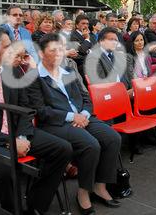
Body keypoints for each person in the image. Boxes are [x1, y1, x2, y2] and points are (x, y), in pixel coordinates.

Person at [0, 28, 72, 214]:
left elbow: (26, 110)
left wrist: (22, 136)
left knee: (63, 149)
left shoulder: (14, 74)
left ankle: (35, 204)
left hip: (17, 134)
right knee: (4, 166)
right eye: (7, 46)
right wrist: (10, 142)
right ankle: (13, 210)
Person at [27, 33, 122, 213]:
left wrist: (84, 114)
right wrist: (72, 117)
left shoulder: (69, 72)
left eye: (61, 50)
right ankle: (83, 192)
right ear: (41, 54)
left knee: (112, 138)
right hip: (57, 123)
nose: (58, 54)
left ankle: (99, 187)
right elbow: (41, 111)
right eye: (53, 50)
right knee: (90, 145)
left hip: (83, 117)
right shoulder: (34, 78)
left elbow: (86, 97)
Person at [85, 27, 132, 93]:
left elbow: (130, 76)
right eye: (111, 40)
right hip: (111, 95)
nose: (114, 42)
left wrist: (133, 89)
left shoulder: (119, 56)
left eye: (116, 40)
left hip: (127, 92)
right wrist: (123, 94)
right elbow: (101, 84)